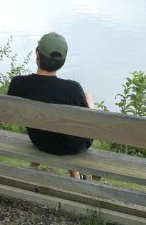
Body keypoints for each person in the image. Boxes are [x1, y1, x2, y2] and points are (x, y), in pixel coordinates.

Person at [7, 31, 94, 179]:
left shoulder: (18, 83)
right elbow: (88, 124)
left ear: (37, 54)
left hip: (40, 140)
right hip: (72, 147)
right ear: (62, 61)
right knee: (87, 97)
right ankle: (77, 176)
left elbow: (9, 110)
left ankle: (72, 174)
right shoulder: (72, 88)